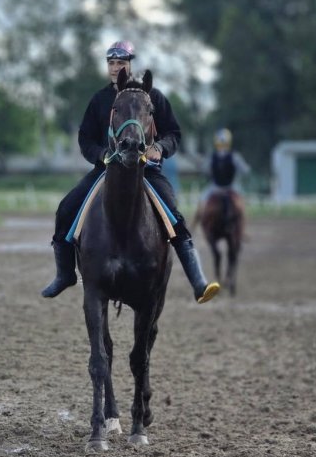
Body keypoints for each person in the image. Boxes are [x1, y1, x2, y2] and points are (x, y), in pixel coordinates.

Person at [41, 39, 219, 304]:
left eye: (120, 63)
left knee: (175, 217)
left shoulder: (153, 97)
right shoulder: (99, 100)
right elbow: (85, 138)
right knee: (66, 209)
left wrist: (160, 147)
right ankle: (65, 274)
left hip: (146, 172)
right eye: (111, 63)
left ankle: (197, 282)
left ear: (130, 65)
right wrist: (100, 154)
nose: (115, 68)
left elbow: (174, 133)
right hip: (107, 171)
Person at [194, 127, 250, 225]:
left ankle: (194, 225)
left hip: (216, 187)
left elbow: (205, 170)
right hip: (231, 187)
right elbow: (245, 170)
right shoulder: (234, 156)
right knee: (241, 206)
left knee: (201, 203)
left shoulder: (212, 156)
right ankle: (241, 227)